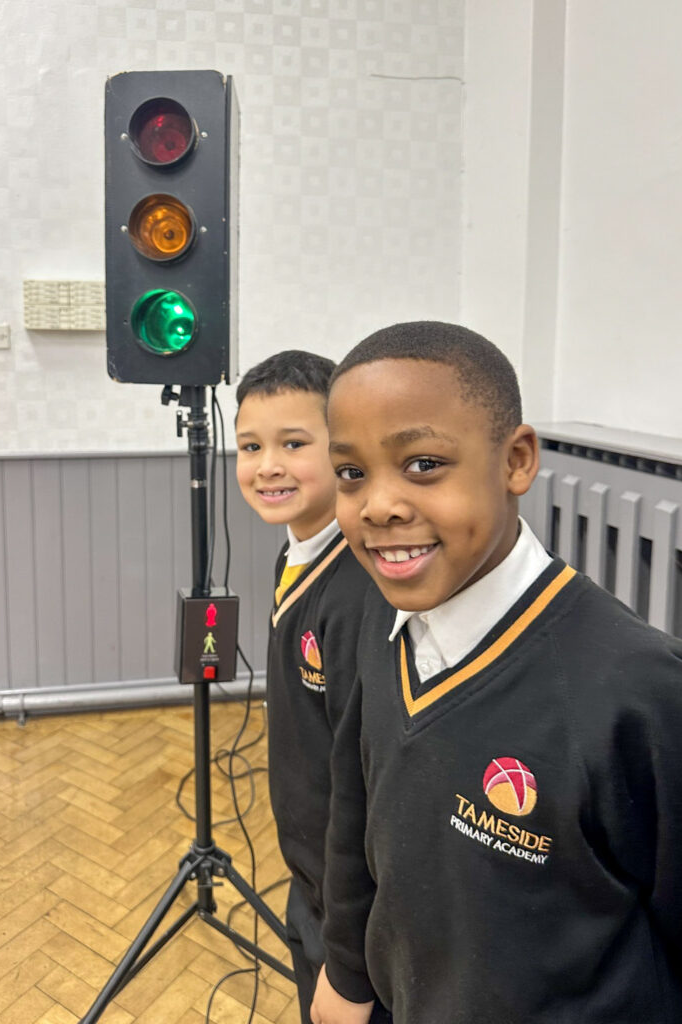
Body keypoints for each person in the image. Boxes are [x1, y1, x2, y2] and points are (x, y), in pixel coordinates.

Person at [311, 321, 682, 1024]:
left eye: (423, 463)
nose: (378, 505)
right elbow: (355, 804)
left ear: (516, 460)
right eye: (351, 473)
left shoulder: (640, 690)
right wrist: (345, 971)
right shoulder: (378, 612)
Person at [235, 350, 390, 1024]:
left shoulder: (358, 591)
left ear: (342, 449)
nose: (268, 465)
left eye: (294, 444)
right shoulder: (295, 552)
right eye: (250, 447)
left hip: (354, 914)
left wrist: (350, 963)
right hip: (311, 881)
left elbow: (368, 789)